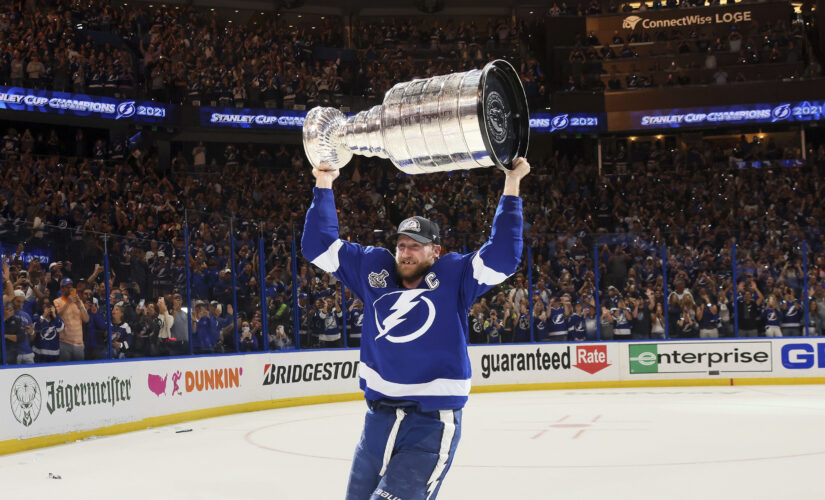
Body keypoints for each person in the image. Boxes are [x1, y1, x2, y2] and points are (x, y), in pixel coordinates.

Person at [302, 157, 529, 500]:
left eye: (416, 246)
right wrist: (323, 182)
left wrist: (512, 184)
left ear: (435, 251)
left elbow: (503, 257)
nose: (406, 253)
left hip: (431, 420)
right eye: (402, 245)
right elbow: (317, 245)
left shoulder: (455, 275)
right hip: (380, 418)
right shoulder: (373, 267)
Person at [54, 277, 88, 361]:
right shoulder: (57, 301)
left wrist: (79, 305)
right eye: (67, 287)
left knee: (79, 370)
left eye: (71, 287)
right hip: (64, 342)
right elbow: (58, 315)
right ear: (62, 288)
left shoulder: (78, 301)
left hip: (79, 343)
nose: (70, 289)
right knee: (64, 369)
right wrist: (68, 302)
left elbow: (86, 319)